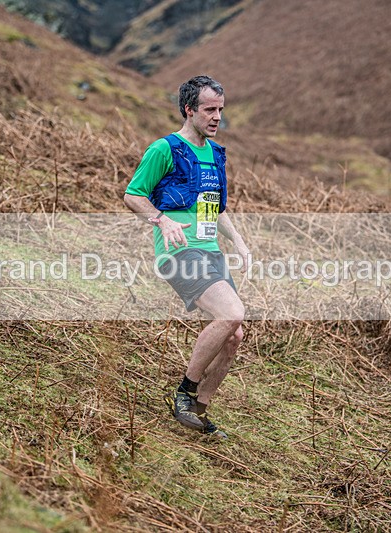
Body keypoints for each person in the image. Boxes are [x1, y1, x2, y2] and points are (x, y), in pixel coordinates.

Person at [123, 75, 250, 439]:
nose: (216, 117)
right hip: (178, 251)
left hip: (210, 251)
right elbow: (134, 195)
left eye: (220, 110)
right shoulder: (165, 149)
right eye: (209, 110)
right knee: (233, 313)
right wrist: (161, 220)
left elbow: (217, 208)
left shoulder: (215, 154)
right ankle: (184, 392)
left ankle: (198, 411)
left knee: (234, 335)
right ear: (188, 109)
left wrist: (238, 241)